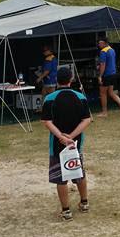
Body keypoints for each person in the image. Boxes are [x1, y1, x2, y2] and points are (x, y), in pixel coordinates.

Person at [41, 67, 92, 220]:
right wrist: (72, 136)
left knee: (61, 178)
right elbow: (87, 119)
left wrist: (61, 136)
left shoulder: (50, 98)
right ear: (71, 79)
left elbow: (46, 121)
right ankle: (84, 203)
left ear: (57, 80)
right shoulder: (80, 97)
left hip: (57, 144)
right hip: (76, 143)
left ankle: (66, 210)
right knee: (79, 172)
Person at [97, 37, 120, 117]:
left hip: (107, 75)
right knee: (111, 92)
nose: (99, 44)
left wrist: (100, 75)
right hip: (113, 74)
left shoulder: (103, 51)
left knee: (102, 93)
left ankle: (104, 112)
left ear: (105, 43)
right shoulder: (112, 50)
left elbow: (103, 64)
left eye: (101, 43)